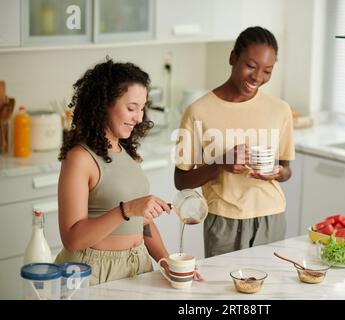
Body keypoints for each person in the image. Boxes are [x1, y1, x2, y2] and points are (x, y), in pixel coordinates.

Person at [174, 26, 295, 258]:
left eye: (267, 71)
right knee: (222, 292)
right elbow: (181, 181)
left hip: (272, 216)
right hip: (224, 220)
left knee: (269, 292)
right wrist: (220, 163)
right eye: (251, 66)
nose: (258, 77)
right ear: (233, 58)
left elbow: (287, 170)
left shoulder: (280, 110)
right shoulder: (197, 111)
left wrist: (278, 172)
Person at [55, 59, 173, 285]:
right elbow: (72, 238)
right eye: (131, 108)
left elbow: (143, 222)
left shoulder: (126, 152)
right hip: (93, 271)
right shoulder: (80, 158)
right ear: (104, 104)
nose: (139, 118)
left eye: (142, 108)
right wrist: (127, 209)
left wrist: (167, 263)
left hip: (138, 266)